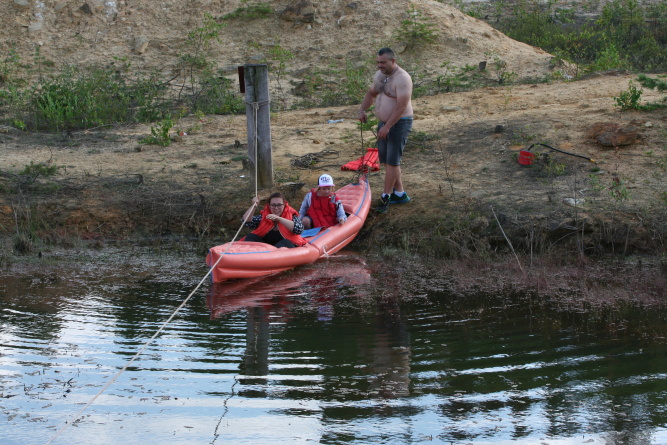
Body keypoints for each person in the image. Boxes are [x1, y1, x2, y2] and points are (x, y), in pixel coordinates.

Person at [357, 47, 413, 213]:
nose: (380, 65)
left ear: (393, 61)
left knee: (392, 161)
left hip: (399, 123)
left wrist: (388, 126)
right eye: (378, 62)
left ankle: (386, 196)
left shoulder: (402, 78)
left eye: (383, 62)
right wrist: (362, 110)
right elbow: (371, 93)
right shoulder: (380, 76)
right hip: (384, 124)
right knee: (387, 160)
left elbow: (402, 106)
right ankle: (400, 193)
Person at [242, 191, 307, 248]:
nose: (276, 208)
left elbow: (299, 229)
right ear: (269, 206)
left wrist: (279, 219)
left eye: (279, 205)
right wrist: (254, 206)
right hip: (266, 247)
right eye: (273, 205)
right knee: (251, 236)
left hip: (284, 246)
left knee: (285, 242)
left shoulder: (292, 215)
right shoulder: (265, 216)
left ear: (284, 205)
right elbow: (246, 221)